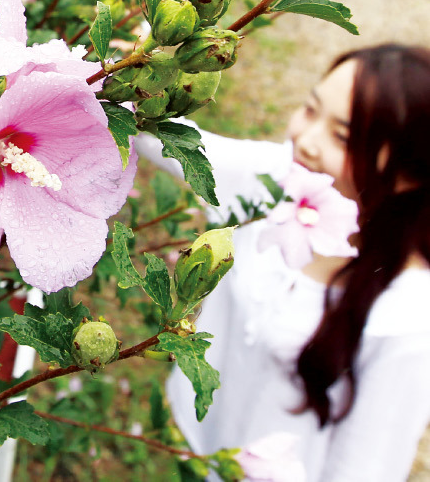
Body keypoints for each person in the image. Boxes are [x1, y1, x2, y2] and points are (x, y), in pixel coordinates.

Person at [136, 44, 430, 482]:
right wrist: (126, 71)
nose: (305, 140)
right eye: (311, 109)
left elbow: (366, 469)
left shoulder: (406, 319)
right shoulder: (278, 178)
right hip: (198, 433)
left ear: (410, 176)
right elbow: (162, 139)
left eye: (343, 137)